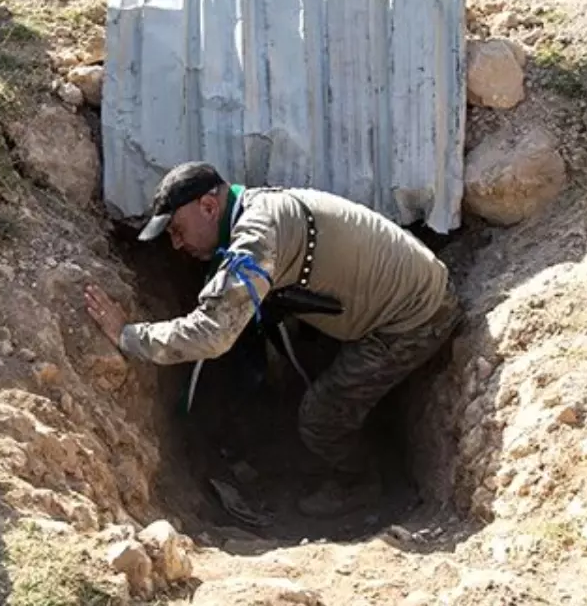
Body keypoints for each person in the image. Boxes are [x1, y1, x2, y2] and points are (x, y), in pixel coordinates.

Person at [83, 162, 463, 517]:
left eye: (177, 230)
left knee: (320, 415)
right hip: (411, 293)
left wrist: (127, 335)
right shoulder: (258, 208)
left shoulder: (257, 236)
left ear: (209, 206)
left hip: (416, 318)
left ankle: (360, 483)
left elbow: (212, 334)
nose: (177, 245)